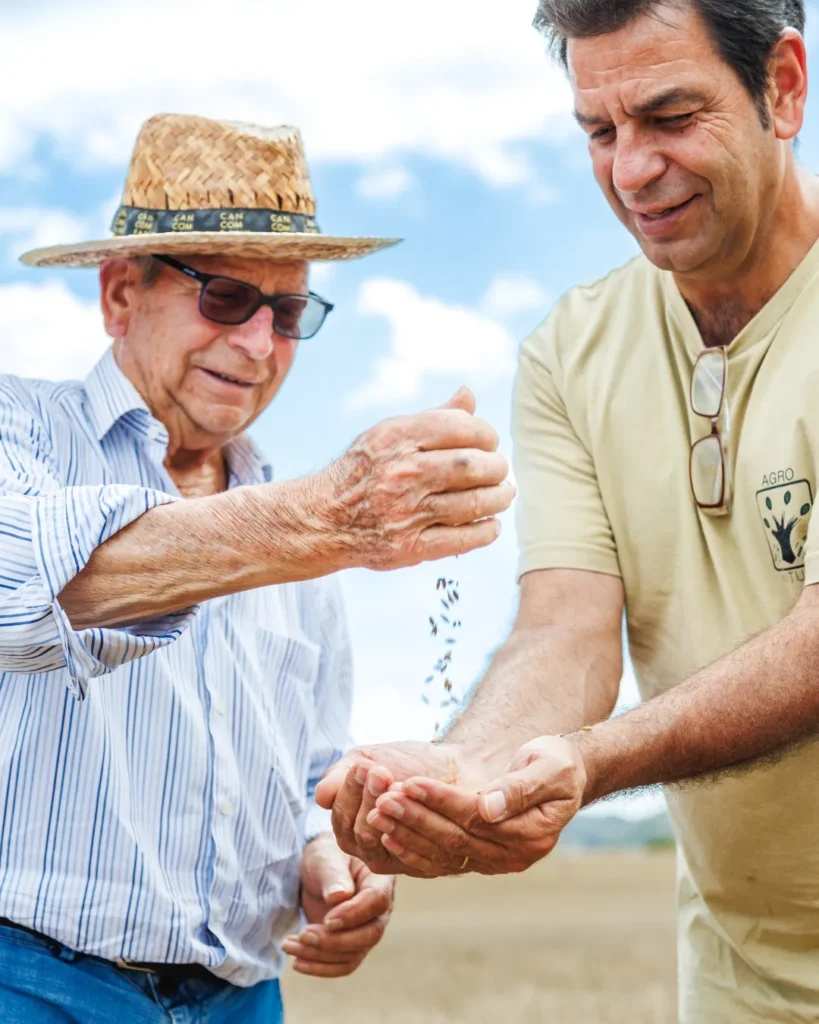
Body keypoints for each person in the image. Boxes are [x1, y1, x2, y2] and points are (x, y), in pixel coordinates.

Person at [317, 2, 819, 1020]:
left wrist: (590, 762)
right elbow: (567, 627)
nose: (632, 171)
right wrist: (471, 763)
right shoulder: (572, 350)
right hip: (740, 969)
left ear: (784, 87)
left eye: (671, 116)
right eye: (601, 131)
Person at [0, 112, 514, 1023]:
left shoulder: (298, 518)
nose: (257, 343)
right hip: (31, 981)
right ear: (120, 294)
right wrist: (324, 520)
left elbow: (309, 759)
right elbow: (23, 586)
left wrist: (325, 856)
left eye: (287, 313)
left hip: (243, 996)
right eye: (226, 298)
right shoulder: (20, 434)